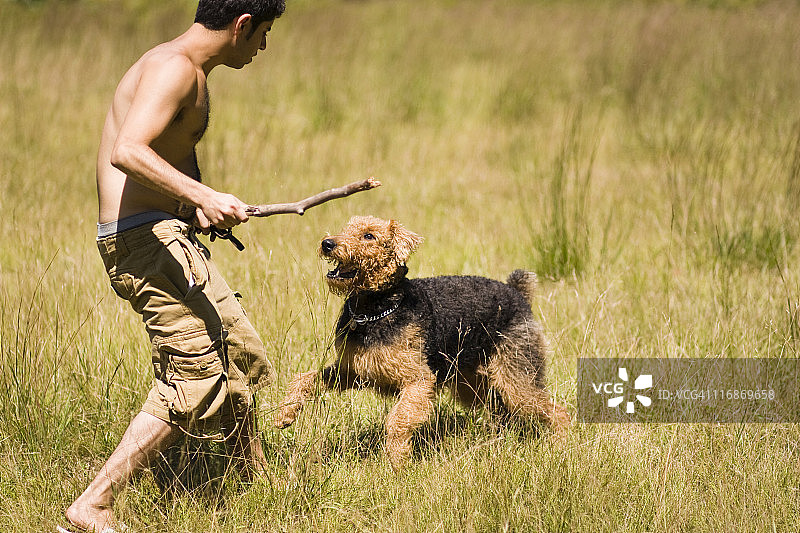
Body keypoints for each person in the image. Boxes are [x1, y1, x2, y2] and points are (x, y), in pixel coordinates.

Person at [63, 1, 286, 531]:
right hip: (142, 243)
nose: (263, 47)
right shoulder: (175, 68)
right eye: (264, 33)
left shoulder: (189, 71)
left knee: (238, 352)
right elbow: (128, 151)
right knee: (196, 373)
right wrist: (204, 194)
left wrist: (195, 210)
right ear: (242, 25)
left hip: (165, 232)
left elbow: (166, 154)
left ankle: (253, 478)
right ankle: (94, 503)